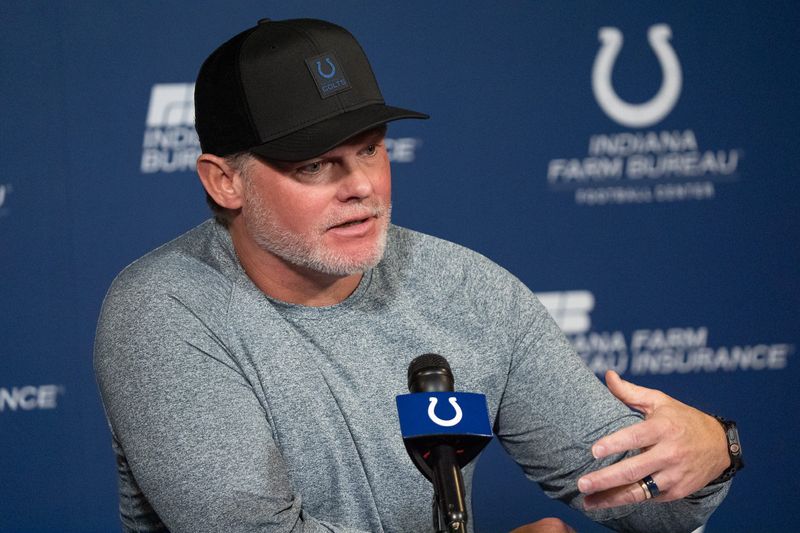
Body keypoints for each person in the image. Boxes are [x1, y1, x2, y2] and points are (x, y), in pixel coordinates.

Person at [94, 18, 740, 533]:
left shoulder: (465, 287)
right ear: (224, 180)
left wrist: (711, 450)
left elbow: (647, 504)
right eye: (316, 164)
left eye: (370, 149)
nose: (362, 187)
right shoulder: (165, 307)